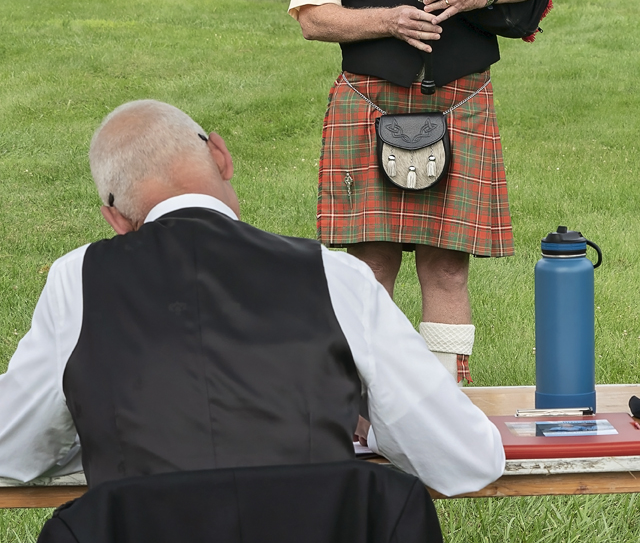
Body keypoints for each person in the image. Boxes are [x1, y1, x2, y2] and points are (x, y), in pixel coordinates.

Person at [0, 100, 504, 498]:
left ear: (115, 219)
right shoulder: (335, 275)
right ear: (220, 155)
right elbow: (464, 458)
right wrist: (373, 423)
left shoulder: (77, 280)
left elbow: (14, 449)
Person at [289, 0, 559, 383]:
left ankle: (443, 397)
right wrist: (386, 20)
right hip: (369, 101)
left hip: (460, 98)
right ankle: (370, 400)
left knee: (447, 267)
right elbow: (310, 17)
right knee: (371, 266)